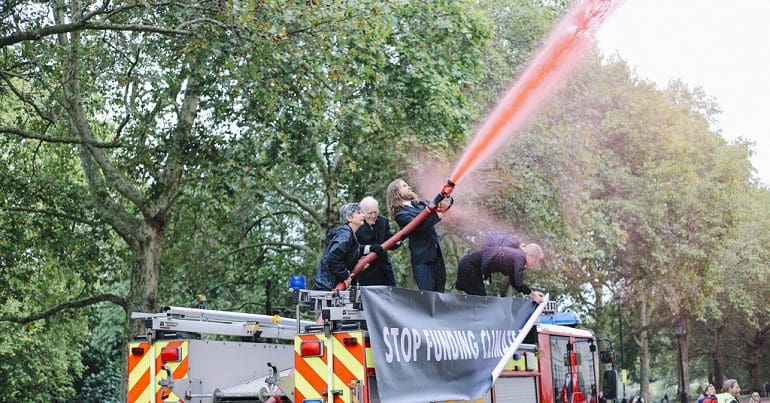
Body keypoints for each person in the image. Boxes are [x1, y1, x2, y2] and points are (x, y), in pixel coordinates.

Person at [386, 178, 452, 292]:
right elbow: (421, 226)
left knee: (440, 293)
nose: (409, 187)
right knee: (428, 296)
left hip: (437, 256)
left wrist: (447, 197)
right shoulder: (400, 214)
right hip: (423, 261)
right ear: (397, 193)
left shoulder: (421, 203)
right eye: (404, 186)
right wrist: (437, 214)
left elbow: (437, 205)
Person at [454, 243, 545, 303]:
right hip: (470, 266)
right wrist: (533, 296)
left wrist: (532, 293)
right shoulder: (519, 256)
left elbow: (515, 282)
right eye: (536, 261)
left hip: (469, 266)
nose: (534, 264)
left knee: (479, 300)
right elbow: (519, 282)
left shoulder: (517, 255)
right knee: (480, 301)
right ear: (531, 256)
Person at [312, 203, 365, 291]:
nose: (363, 215)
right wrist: (345, 276)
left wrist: (359, 263)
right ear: (349, 218)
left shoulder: (350, 235)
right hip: (328, 286)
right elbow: (333, 257)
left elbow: (343, 260)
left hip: (331, 285)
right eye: (359, 213)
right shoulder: (345, 235)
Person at [355, 196, 398, 286]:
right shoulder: (356, 225)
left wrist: (398, 240)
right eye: (370, 213)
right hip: (367, 272)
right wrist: (370, 248)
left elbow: (388, 240)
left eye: (375, 212)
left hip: (385, 270)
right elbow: (354, 248)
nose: (373, 216)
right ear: (362, 212)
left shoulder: (383, 221)